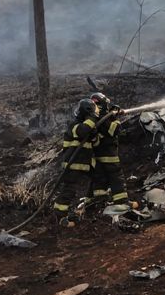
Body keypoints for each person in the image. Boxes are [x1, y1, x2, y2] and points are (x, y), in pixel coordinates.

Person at [53, 98, 100, 228]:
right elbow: (81, 131)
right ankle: (60, 217)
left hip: (85, 164)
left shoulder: (88, 126)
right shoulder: (75, 125)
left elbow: (95, 143)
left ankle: (90, 206)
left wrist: (94, 133)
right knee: (69, 190)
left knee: (98, 180)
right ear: (89, 111)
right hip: (72, 164)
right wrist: (92, 119)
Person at [88, 92, 138, 210]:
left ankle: (99, 202)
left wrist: (112, 113)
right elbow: (114, 130)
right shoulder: (103, 119)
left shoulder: (93, 117)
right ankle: (122, 202)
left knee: (99, 178)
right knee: (116, 177)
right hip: (108, 154)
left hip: (96, 156)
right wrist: (115, 118)